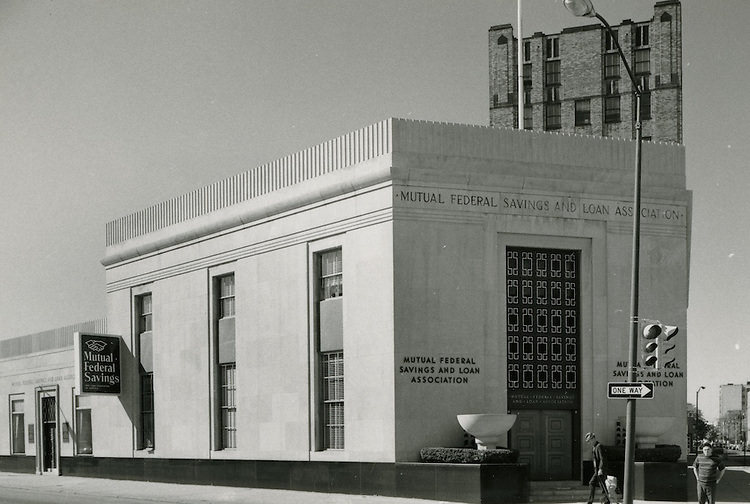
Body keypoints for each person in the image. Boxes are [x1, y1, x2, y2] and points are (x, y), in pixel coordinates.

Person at [585, 432, 610, 504]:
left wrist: (601, 469)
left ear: (593, 439)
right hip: (597, 470)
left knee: (593, 483)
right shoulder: (594, 447)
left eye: (589, 440)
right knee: (601, 485)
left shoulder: (599, 446)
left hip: (600, 470)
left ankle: (591, 501)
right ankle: (606, 501)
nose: (589, 442)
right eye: (588, 441)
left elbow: (603, 459)